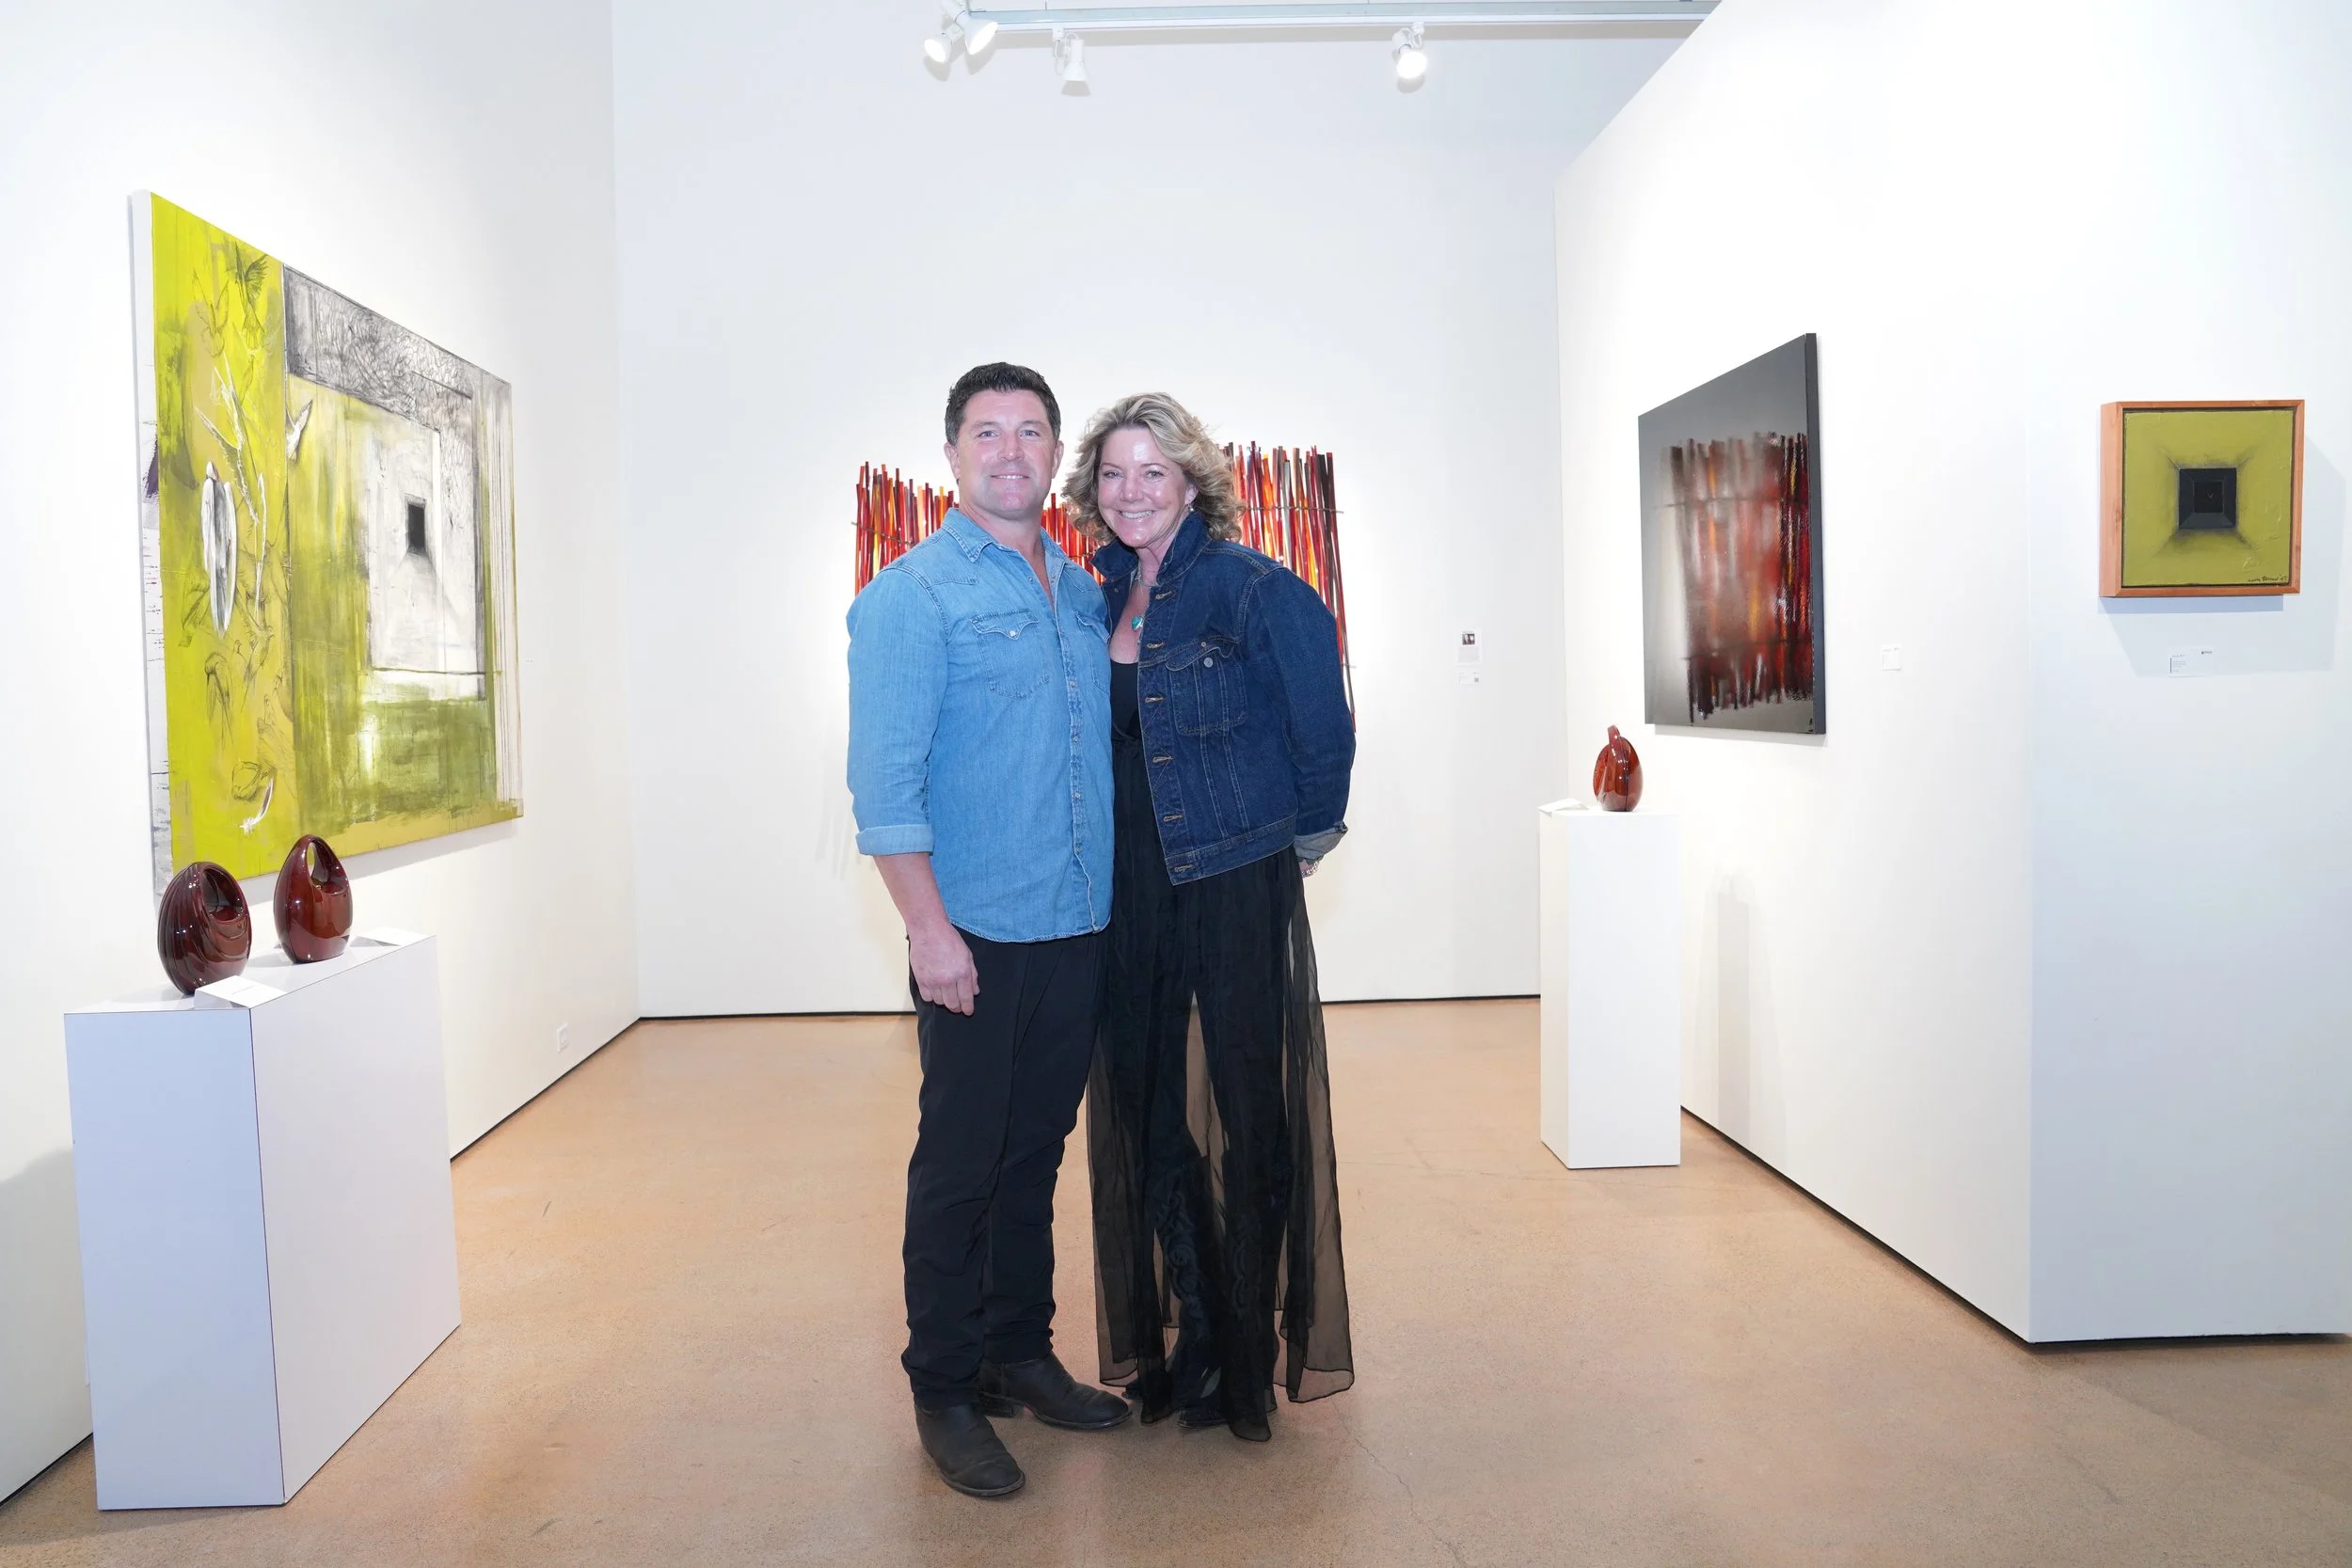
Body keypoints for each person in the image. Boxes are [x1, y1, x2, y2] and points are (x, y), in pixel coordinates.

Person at [846, 362, 1130, 1500]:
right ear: (952, 454)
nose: (1010, 451)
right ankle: (946, 1386)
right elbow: (884, 788)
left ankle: (1020, 1349)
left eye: (1030, 431)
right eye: (986, 432)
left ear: (1054, 452)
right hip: (975, 936)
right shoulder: (911, 597)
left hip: (1077, 925)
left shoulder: (1076, 590)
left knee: (1034, 1153)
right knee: (960, 1165)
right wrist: (928, 931)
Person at [1065, 392, 1357, 1442]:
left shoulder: (1250, 588)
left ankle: (1242, 1350)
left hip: (1231, 873)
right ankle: (1188, 1331)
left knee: (1247, 1106)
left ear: (1192, 481)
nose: (1130, 492)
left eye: (1152, 471)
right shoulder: (1089, 592)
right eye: (1112, 474)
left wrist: (1295, 848)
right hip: (1125, 886)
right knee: (1142, 1105)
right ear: (1090, 491)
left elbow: (1323, 732)